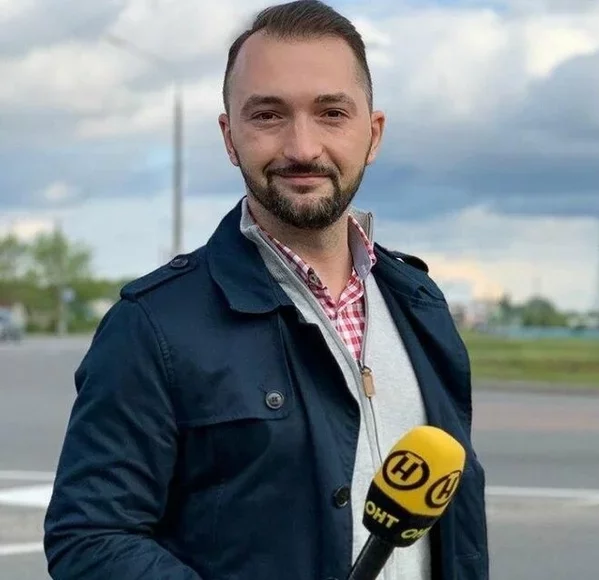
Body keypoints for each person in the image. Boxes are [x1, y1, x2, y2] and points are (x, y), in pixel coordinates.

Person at [42, 1, 489, 579]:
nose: (302, 147)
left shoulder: (420, 305)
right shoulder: (153, 327)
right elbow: (90, 539)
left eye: (331, 113)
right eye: (268, 115)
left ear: (373, 134)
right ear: (230, 137)